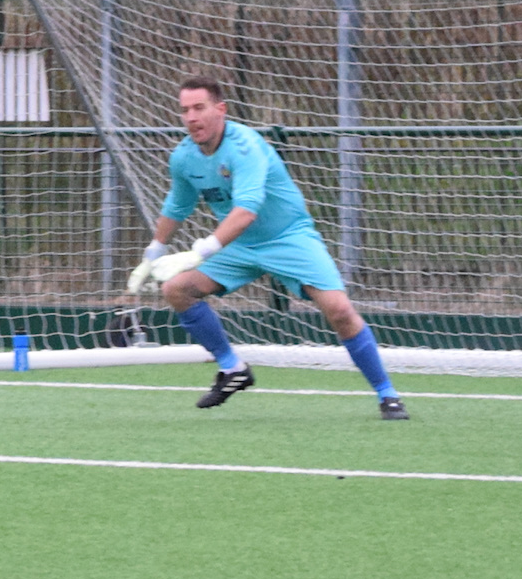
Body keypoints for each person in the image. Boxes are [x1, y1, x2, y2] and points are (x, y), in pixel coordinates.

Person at [130, 74, 406, 418]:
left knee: (339, 310)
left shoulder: (245, 146)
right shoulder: (184, 157)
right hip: (238, 246)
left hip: (288, 237)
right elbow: (177, 206)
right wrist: (154, 250)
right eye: (185, 110)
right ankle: (232, 369)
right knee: (176, 289)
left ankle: (387, 394)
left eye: (199, 108)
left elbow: (246, 211)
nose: (191, 118)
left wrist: (201, 251)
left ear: (221, 110)